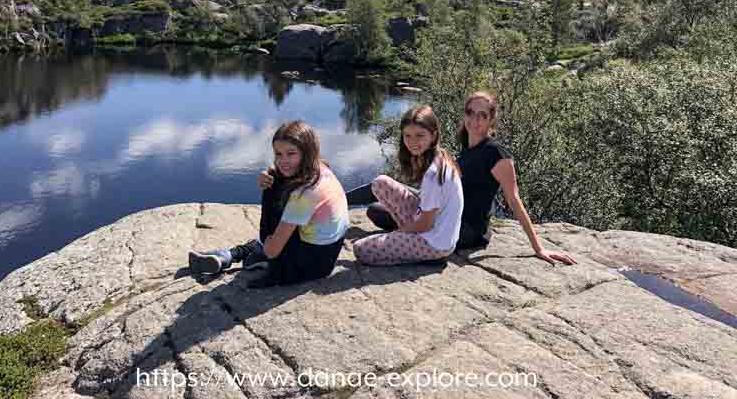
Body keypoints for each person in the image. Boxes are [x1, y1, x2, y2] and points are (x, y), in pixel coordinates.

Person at [366, 91, 576, 267]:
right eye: (470, 112)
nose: (475, 120)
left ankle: (409, 238)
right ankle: (409, 234)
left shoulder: (497, 154)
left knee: (382, 215)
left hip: (466, 229)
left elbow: (514, 200)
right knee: (376, 210)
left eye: (482, 115)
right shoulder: (466, 148)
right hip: (439, 214)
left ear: (491, 119)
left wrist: (538, 248)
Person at [188, 120, 349, 288]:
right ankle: (228, 255)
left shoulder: (303, 195)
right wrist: (270, 172)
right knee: (276, 182)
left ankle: (244, 257)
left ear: (306, 152)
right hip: (327, 254)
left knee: (272, 192)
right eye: (278, 154)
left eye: (291, 153)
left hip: (309, 267)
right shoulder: (321, 169)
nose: (283, 160)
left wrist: (268, 188)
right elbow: (282, 170)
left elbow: (272, 250)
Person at [352, 105, 464, 265]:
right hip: (427, 224)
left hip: (434, 243)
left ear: (433, 136)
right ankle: (404, 242)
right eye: (407, 136)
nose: (412, 142)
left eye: (420, 135)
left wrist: (399, 233)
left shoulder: (434, 174)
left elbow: (426, 224)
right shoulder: (437, 155)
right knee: (380, 183)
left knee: (360, 249)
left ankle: (416, 255)